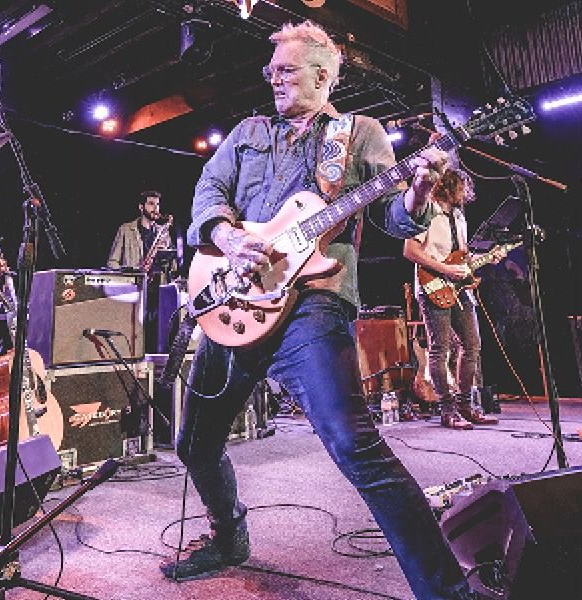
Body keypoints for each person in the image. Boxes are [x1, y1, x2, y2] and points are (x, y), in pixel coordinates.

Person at [161, 20, 478, 600]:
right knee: (195, 442)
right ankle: (229, 538)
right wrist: (228, 238)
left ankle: (446, 590)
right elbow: (208, 193)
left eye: (285, 70)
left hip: (313, 304)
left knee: (354, 442)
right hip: (235, 298)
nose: (274, 79)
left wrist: (419, 191)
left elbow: (393, 220)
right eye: (271, 70)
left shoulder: (359, 134)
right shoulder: (248, 131)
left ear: (323, 74)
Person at [403, 168, 499, 430]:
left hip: (460, 288)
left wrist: (488, 257)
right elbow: (410, 250)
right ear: (449, 187)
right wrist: (445, 270)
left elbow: (461, 256)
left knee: (472, 346)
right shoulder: (427, 212)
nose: (466, 194)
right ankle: (447, 411)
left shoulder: (458, 216)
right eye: (462, 188)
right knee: (439, 349)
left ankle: (466, 406)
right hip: (432, 285)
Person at [106, 190, 176, 278]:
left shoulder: (163, 232)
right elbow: (112, 262)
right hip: (134, 286)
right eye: (151, 204)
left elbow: (173, 267)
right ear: (141, 207)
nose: (156, 208)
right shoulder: (126, 230)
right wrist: (129, 275)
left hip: (158, 286)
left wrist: (165, 256)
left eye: (157, 204)